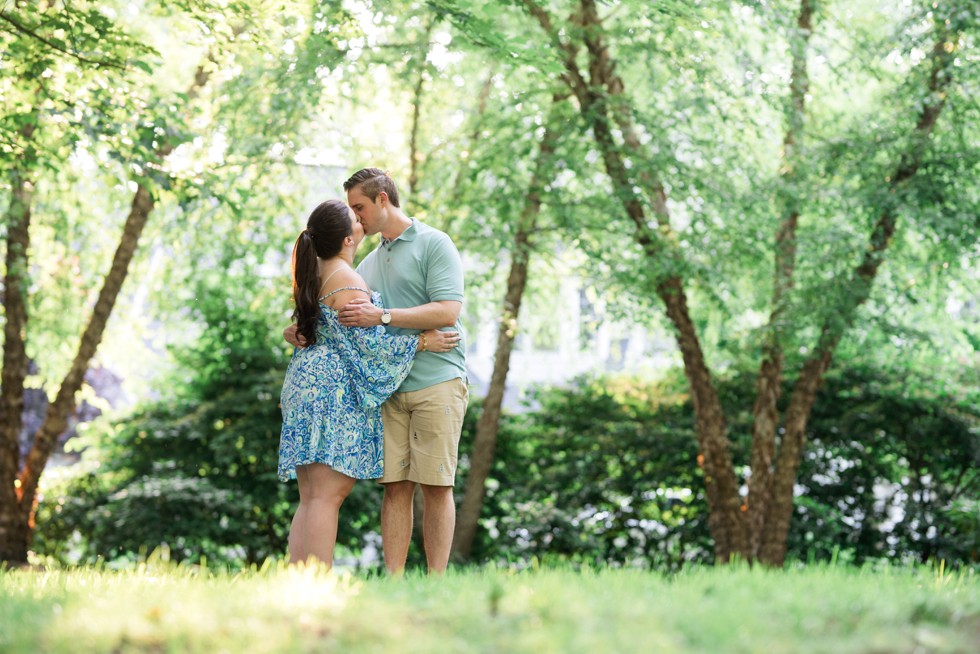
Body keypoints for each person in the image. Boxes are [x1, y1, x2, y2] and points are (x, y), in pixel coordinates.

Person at [286, 168, 468, 575]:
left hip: (436, 379)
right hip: (384, 389)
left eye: (359, 207)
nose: (356, 216)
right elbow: (349, 329)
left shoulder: (433, 244)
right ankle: (392, 579)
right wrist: (300, 328)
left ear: (383, 199)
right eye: (351, 211)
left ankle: (436, 581)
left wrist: (381, 316)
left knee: (437, 485)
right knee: (390, 489)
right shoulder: (362, 267)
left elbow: (448, 312)